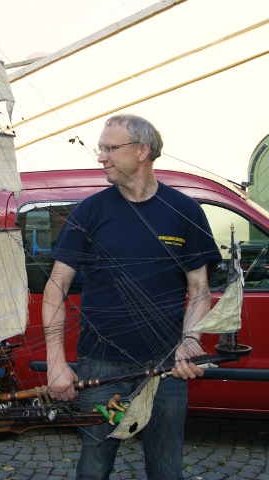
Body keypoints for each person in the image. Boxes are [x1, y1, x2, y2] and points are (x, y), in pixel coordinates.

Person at [42, 114, 222, 480]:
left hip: (165, 371)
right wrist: (56, 362)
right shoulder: (91, 211)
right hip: (101, 370)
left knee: (166, 466)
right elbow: (56, 285)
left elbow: (199, 290)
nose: (101, 157)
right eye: (101, 148)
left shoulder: (184, 211)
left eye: (110, 148)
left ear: (142, 151)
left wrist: (190, 342)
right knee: (95, 462)